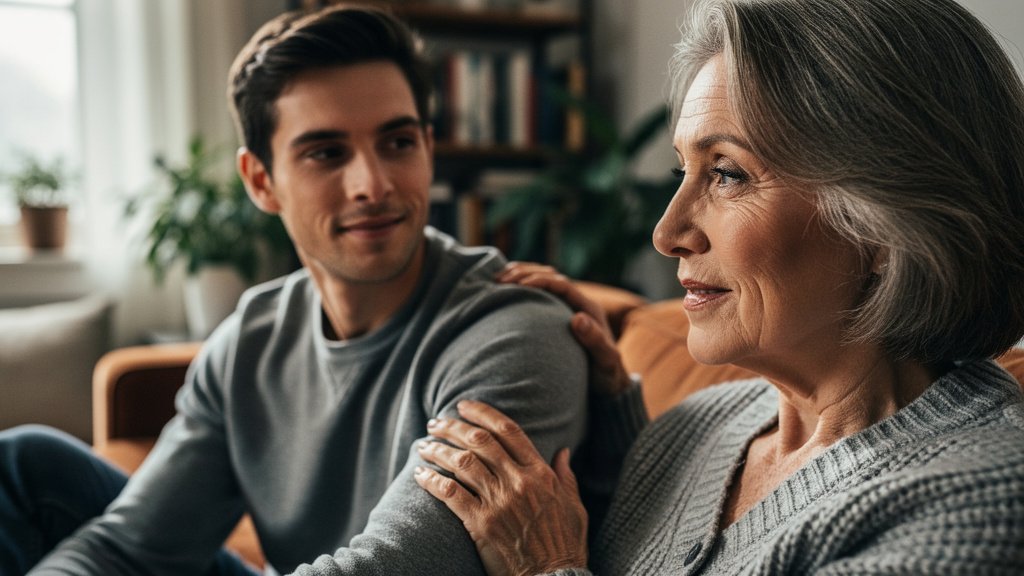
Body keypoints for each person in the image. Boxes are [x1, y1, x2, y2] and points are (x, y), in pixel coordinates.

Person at [414, 0, 1024, 573]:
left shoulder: (982, 496)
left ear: (888, 224)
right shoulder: (698, 422)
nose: (666, 232)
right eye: (683, 171)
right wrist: (604, 417)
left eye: (727, 174)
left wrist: (545, 570)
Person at [0, 4, 588, 575]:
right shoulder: (248, 341)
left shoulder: (513, 333)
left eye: (398, 142)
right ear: (261, 181)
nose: (373, 184)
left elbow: (394, 567)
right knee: (26, 467)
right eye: (327, 153)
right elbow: (127, 548)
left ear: (429, 149)